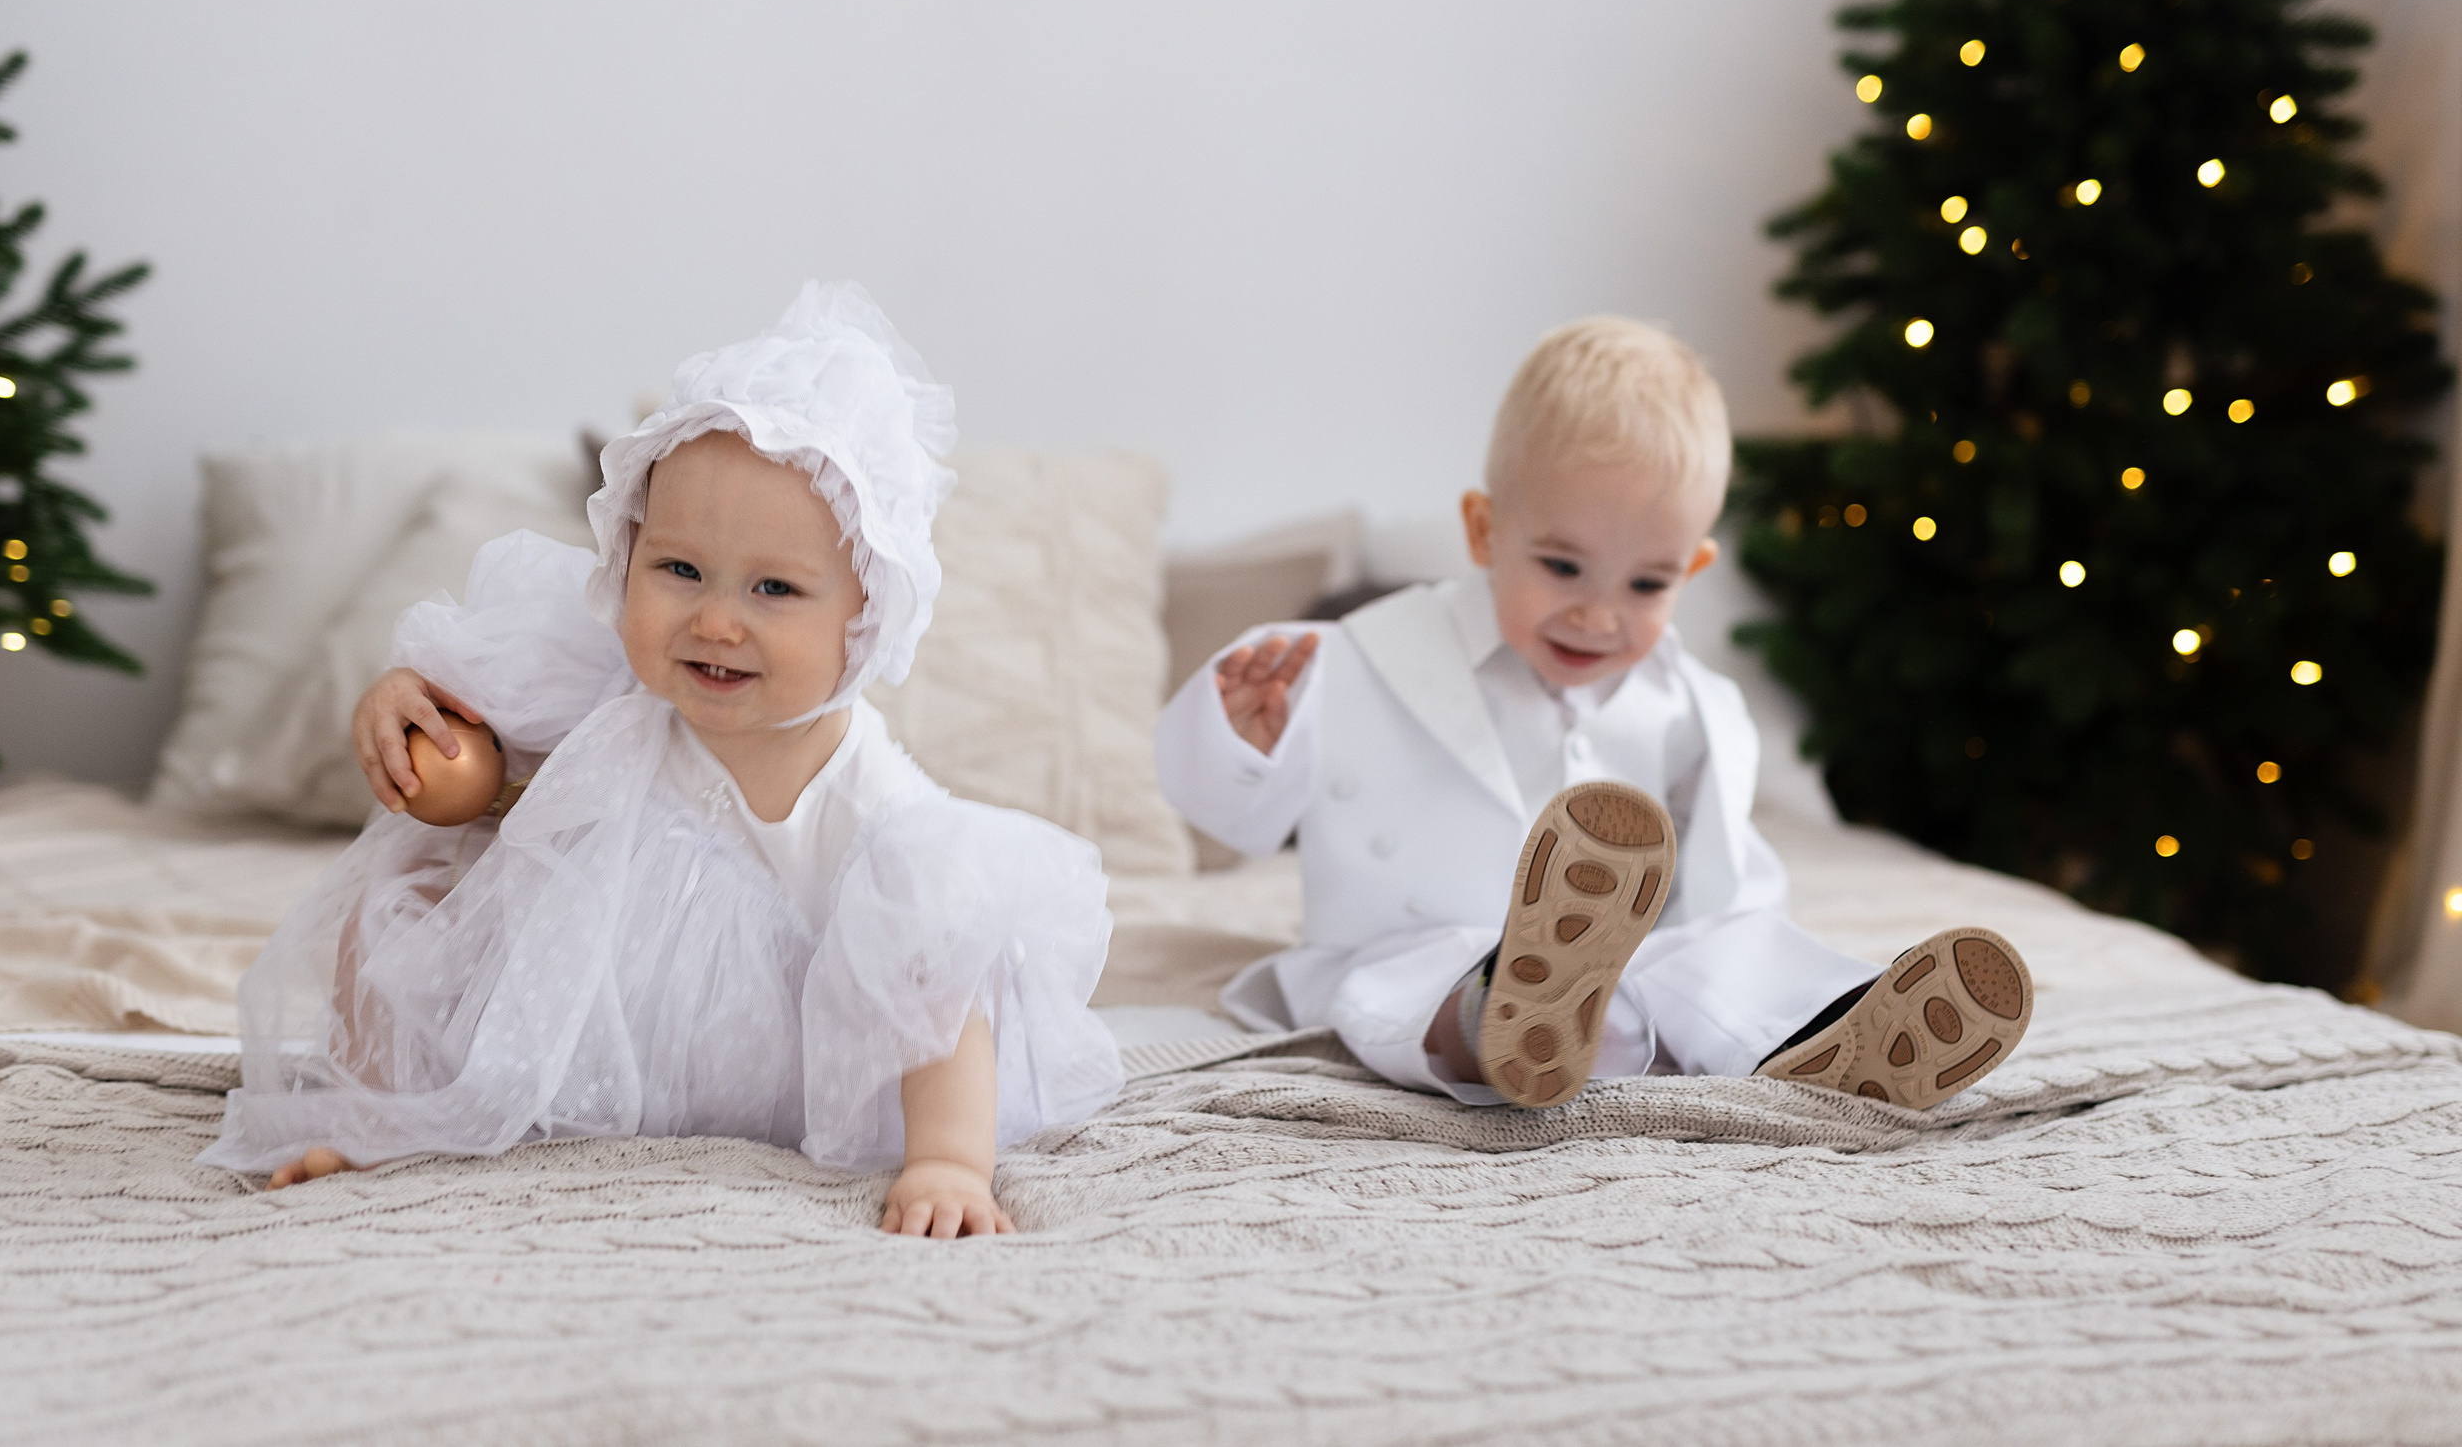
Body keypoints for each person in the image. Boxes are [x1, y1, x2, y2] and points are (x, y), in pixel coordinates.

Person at [200, 283, 1124, 1237]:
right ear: (626, 561)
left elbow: (937, 995)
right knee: (407, 882)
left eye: (774, 588)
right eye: (678, 570)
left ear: (866, 619)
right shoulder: (605, 686)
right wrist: (403, 708)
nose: (714, 619)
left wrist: (946, 1165)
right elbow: (472, 787)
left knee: (937, 975)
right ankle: (374, 1110)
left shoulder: (879, 812)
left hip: (775, 1071)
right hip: (576, 1028)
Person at [1155, 317, 2031, 1109]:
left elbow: (1730, 882)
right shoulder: (1356, 659)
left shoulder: (1690, 702)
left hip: (1623, 960)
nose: (1599, 614)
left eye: (1646, 584)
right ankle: (1497, 1018)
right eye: (1563, 568)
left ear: (1690, 570)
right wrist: (1243, 740)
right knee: (1409, 989)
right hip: (1403, 941)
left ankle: (1826, 1035)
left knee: (1721, 962)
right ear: (1483, 531)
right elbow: (1225, 820)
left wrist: (1749, 961)